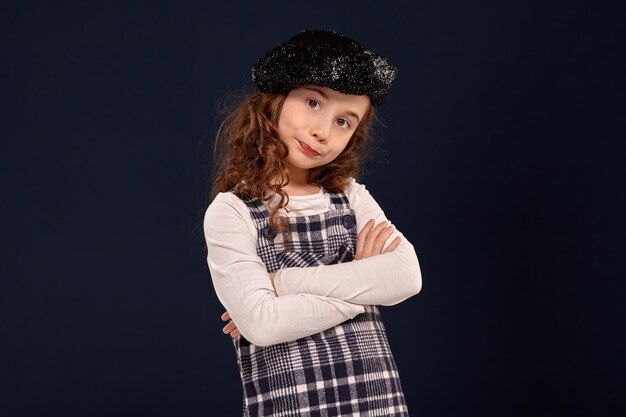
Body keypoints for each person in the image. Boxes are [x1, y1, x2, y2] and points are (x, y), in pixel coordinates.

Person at [203, 29, 422, 416]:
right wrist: (363, 282)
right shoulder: (232, 211)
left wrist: (282, 285)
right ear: (276, 99)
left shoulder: (351, 196)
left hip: (376, 401)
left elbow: (406, 277)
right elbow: (263, 324)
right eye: (312, 103)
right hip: (293, 405)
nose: (322, 130)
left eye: (344, 121)